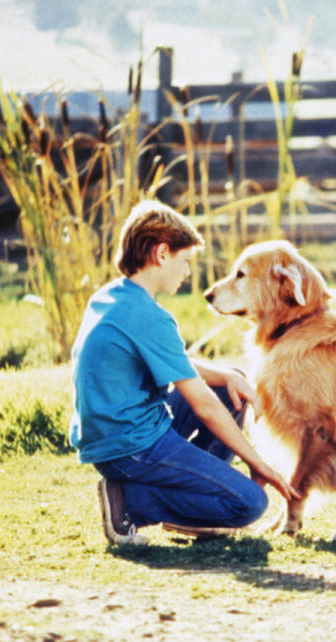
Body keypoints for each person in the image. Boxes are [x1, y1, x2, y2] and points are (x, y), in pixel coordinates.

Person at [69, 200, 299, 545]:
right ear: (162, 254)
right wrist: (259, 463)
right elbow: (203, 405)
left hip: (114, 436)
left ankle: (196, 502)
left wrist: (226, 376)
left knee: (228, 383)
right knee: (250, 503)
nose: (188, 272)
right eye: (185, 261)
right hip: (130, 447)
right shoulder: (151, 317)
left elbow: (176, 364)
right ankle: (129, 502)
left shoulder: (112, 297)